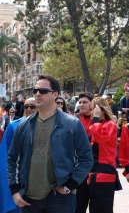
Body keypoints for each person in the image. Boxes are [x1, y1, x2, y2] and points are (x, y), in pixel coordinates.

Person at [7, 75, 93, 212]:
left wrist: (69, 185)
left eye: (43, 91)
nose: (38, 94)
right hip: (29, 200)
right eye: (35, 91)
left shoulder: (72, 124)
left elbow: (86, 158)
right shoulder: (23, 125)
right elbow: (12, 158)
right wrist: (14, 190)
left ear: (55, 94)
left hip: (60, 200)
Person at [0, 97, 38, 213]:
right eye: (26, 106)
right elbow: (6, 155)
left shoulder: (48, 126)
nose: (29, 109)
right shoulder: (14, 126)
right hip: (20, 175)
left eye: (32, 106)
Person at [88, 97, 122, 213]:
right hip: (96, 172)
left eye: (93, 109)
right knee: (95, 208)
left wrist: (96, 118)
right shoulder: (102, 124)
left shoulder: (110, 125)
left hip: (104, 172)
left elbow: (100, 137)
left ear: (100, 110)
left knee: (102, 208)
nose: (92, 113)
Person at [75, 92, 94, 213]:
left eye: (85, 102)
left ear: (92, 104)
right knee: (79, 206)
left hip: (95, 167)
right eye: (80, 102)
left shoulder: (98, 119)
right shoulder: (73, 120)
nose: (81, 105)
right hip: (78, 167)